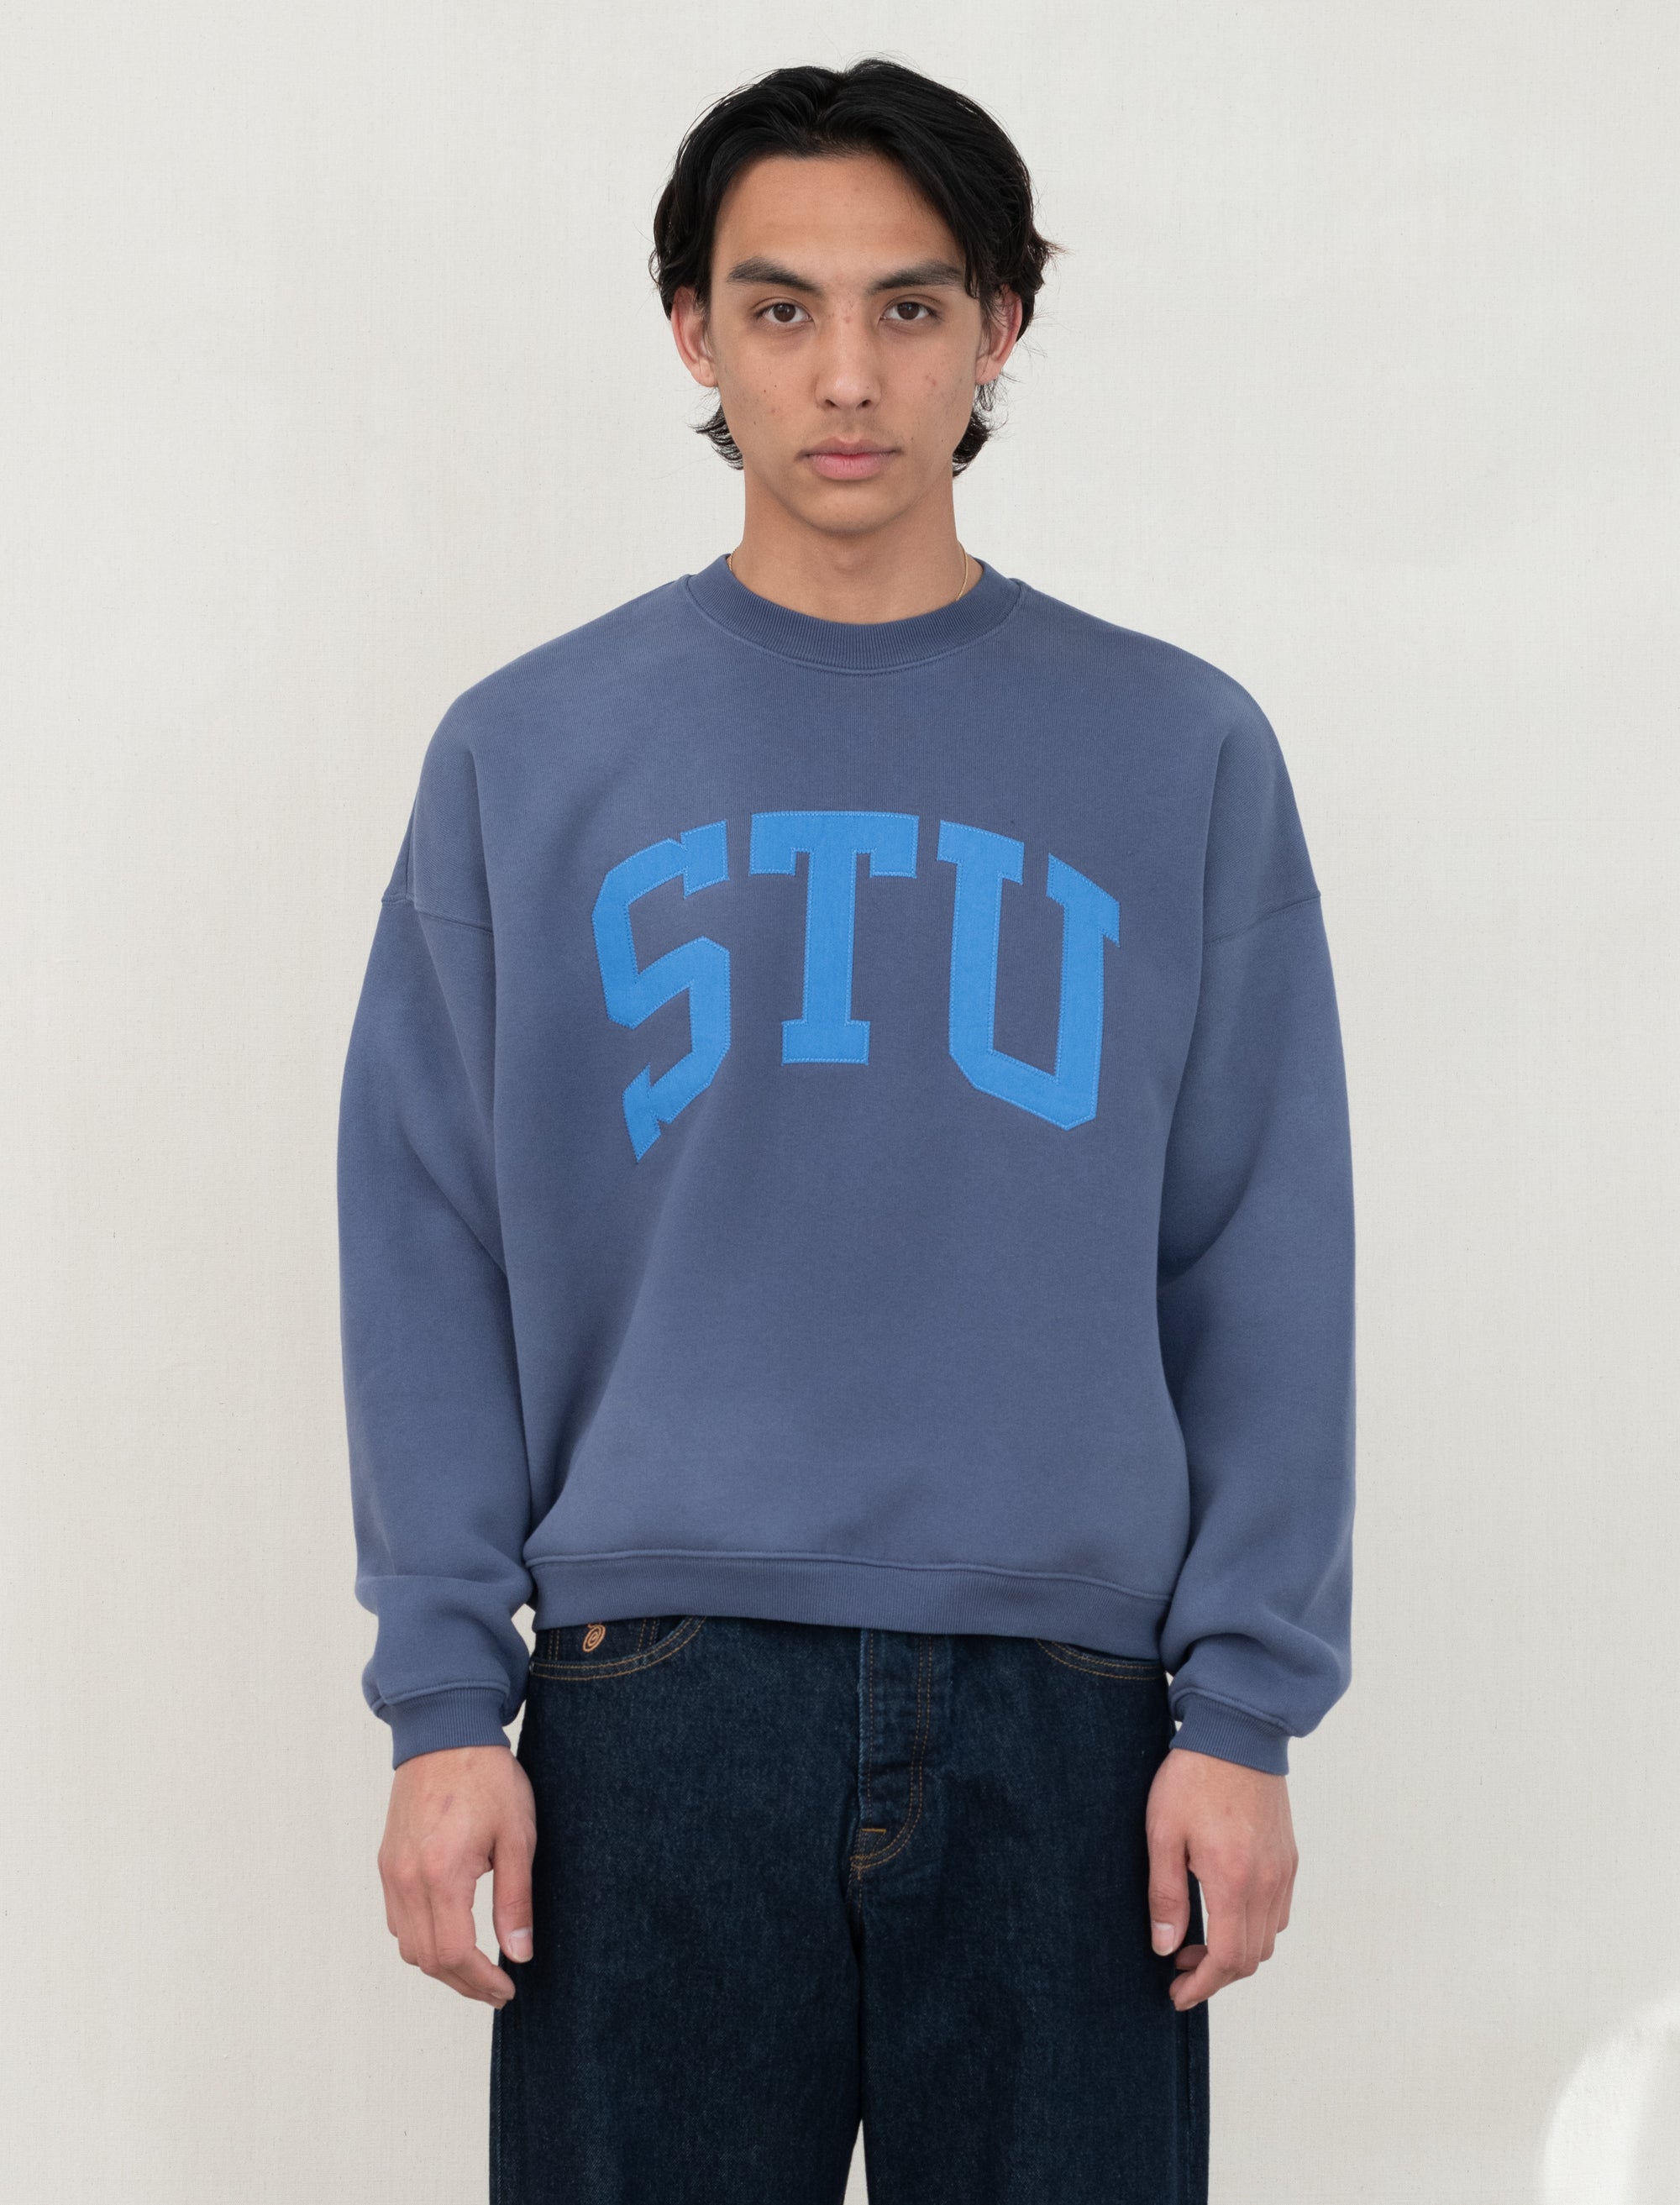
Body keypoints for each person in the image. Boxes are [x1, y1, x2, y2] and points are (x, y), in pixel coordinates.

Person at [336, 55, 1356, 2205]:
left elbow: (1258, 1242)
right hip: (652, 1697)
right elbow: (427, 1236)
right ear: (691, 334)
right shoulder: (529, 749)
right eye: (779, 306)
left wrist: (1242, 1710)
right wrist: (442, 1705)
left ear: (1001, 326)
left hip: (1077, 1704)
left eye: (910, 305)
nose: (847, 374)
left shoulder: (1178, 747)